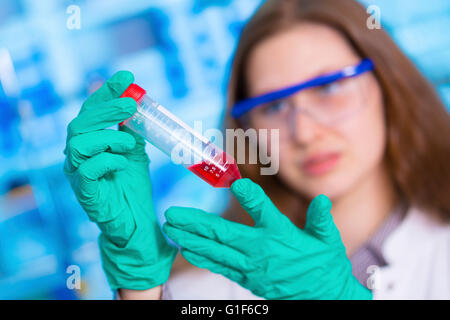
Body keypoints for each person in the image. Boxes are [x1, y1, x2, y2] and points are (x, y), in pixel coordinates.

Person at [64, 0, 450, 300]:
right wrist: (141, 285)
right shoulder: (211, 286)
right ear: (246, 129)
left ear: (386, 82)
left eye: (329, 87)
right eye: (274, 106)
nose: (304, 132)